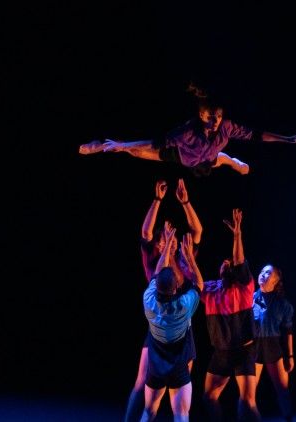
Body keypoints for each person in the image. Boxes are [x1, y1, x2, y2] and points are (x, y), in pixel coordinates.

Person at [79, 83, 296, 176]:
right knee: (137, 152)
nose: (215, 121)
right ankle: (102, 146)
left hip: (208, 159)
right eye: (211, 117)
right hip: (182, 157)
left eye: (218, 116)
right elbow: (154, 142)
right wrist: (123, 145)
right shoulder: (187, 132)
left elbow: (256, 135)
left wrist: (287, 139)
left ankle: (231, 161)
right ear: (201, 115)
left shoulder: (226, 127)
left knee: (220, 159)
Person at [124, 179, 203, 422]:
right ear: (159, 244)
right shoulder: (154, 259)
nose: (166, 241)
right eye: (162, 240)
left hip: (179, 328)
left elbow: (197, 231)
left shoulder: (183, 258)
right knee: (142, 382)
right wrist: (157, 200)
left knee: (179, 387)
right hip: (159, 328)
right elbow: (146, 232)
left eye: (169, 239)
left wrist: (186, 203)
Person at [201, 208, 261, 421]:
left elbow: (238, 261)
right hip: (222, 352)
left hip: (244, 349)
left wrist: (237, 235)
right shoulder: (211, 289)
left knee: (247, 400)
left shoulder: (244, 286)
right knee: (209, 397)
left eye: (230, 263)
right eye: (223, 263)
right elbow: (194, 281)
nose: (227, 263)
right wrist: (187, 256)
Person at [141, 226, 204, 422]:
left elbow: (157, 272)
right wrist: (190, 259)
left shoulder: (148, 299)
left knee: (149, 411)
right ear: (176, 287)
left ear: (156, 284)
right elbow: (199, 285)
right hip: (178, 366)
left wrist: (167, 244)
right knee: (181, 414)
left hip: (156, 366)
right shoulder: (183, 306)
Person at [252, 264, 295, 421]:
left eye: (268, 272)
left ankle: (288, 418)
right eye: (262, 271)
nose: (263, 274)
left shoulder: (282, 304)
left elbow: (288, 332)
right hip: (254, 348)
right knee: (249, 391)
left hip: (273, 348)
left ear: (276, 280)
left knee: (282, 390)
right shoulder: (250, 299)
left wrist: (290, 356)